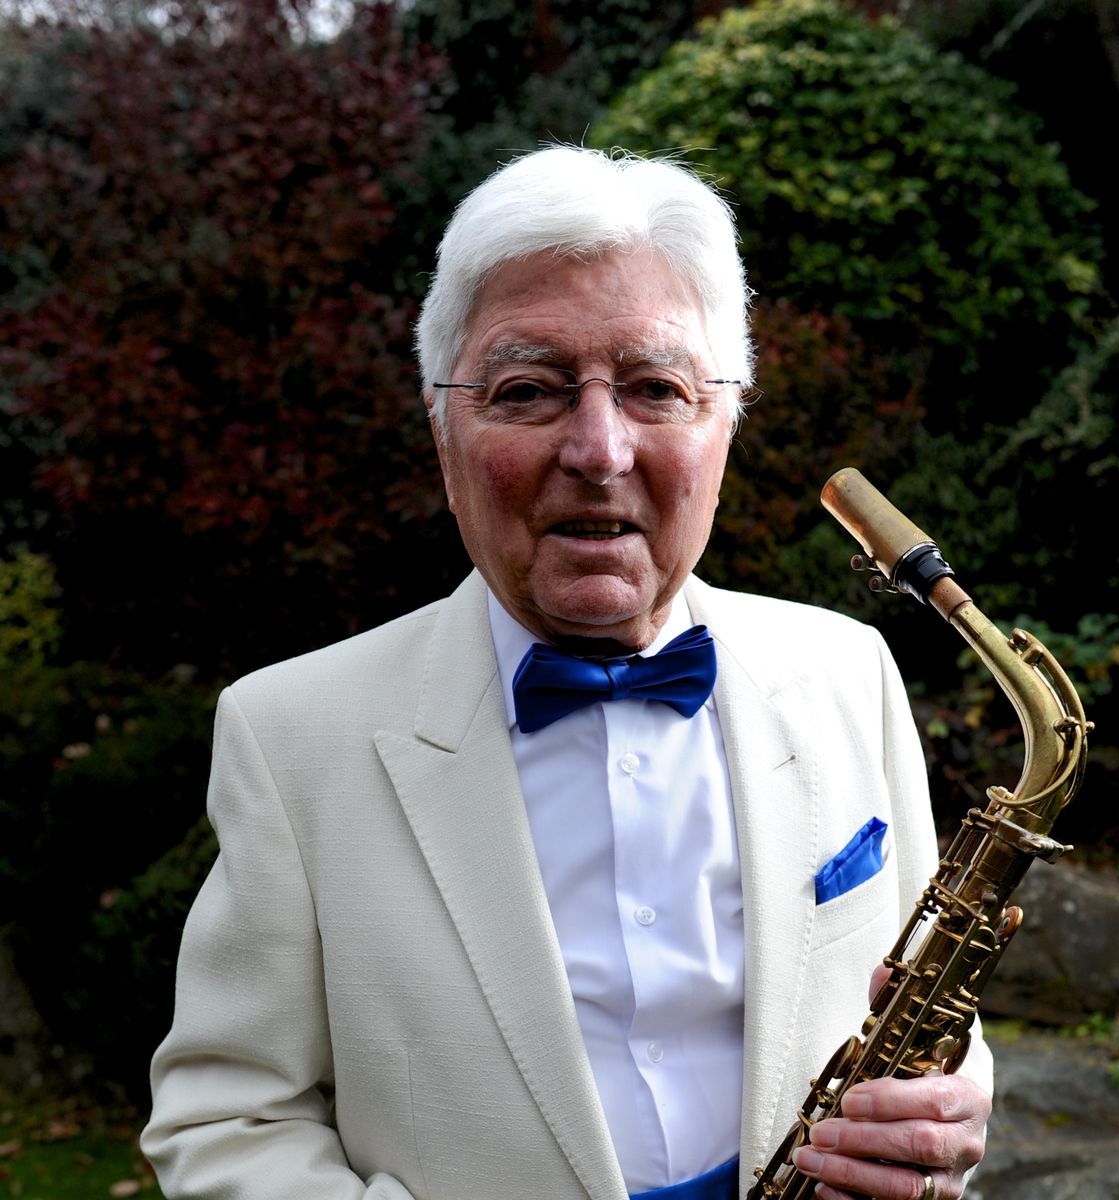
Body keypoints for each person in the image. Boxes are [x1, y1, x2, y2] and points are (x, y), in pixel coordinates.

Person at [142, 145, 991, 1200]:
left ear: (724, 421)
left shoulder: (847, 668)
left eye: (655, 388)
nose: (600, 449)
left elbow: (930, 1016)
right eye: (530, 389)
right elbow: (227, 1119)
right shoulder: (290, 734)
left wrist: (945, 1115)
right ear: (442, 422)